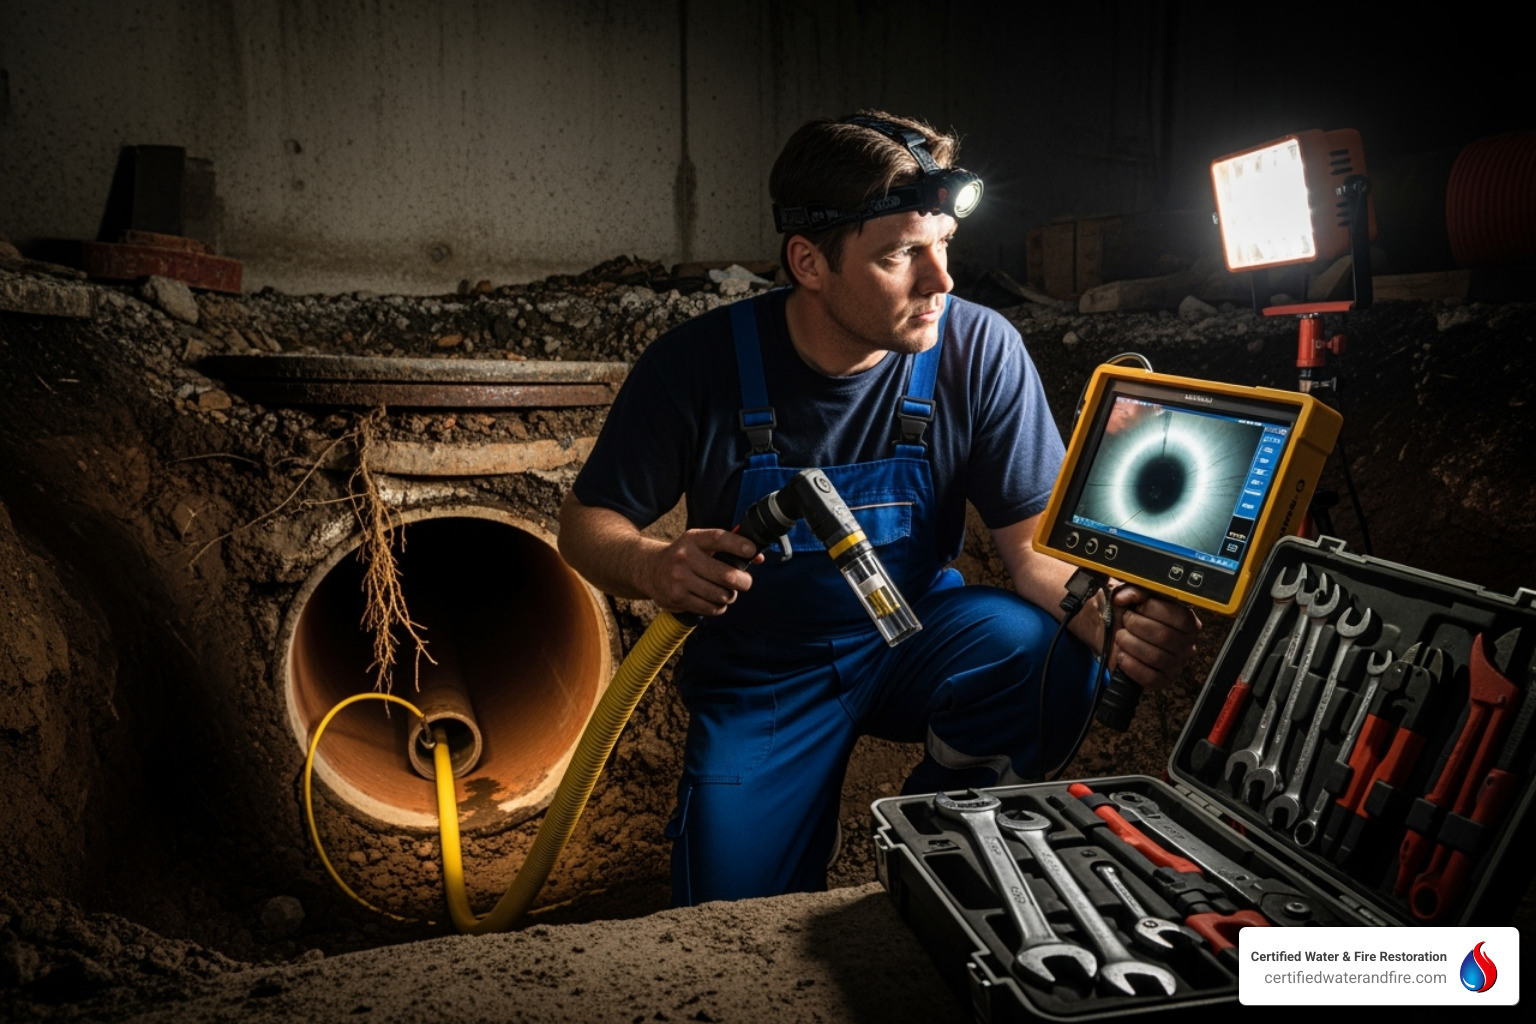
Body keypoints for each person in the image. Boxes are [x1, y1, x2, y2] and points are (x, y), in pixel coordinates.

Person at [557, 111, 1200, 906]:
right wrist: (655, 563)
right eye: (902, 255)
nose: (942, 281)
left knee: (1041, 655)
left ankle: (937, 853)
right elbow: (585, 525)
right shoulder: (698, 365)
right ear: (809, 262)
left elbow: (1035, 548)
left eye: (944, 248)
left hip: (914, 633)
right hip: (765, 675)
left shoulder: (978, 348)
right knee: (733, 919)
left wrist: (1110, 614)